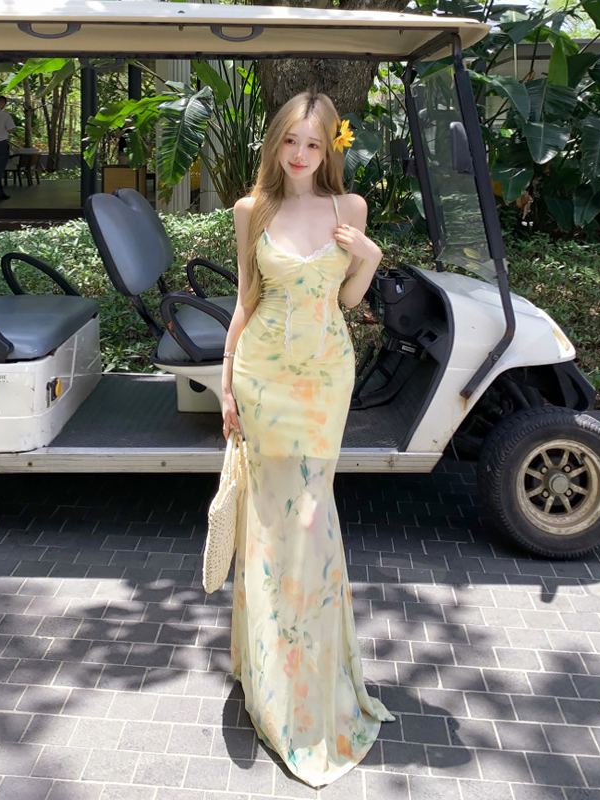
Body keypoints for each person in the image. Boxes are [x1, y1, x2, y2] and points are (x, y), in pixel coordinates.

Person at [221, 91, 393, 787]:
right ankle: (268, 674)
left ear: (330, 150)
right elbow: (246, 299)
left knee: (313, 518)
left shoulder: (349, 209)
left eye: (313, 144)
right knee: (270, 523)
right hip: (262, 375)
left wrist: (369, 256)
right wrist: (226, 385)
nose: (299, 155)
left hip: (323, 379)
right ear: (276, 142)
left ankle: (310, 678)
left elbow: (347, 300)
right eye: (290, 141)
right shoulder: (251, 210)